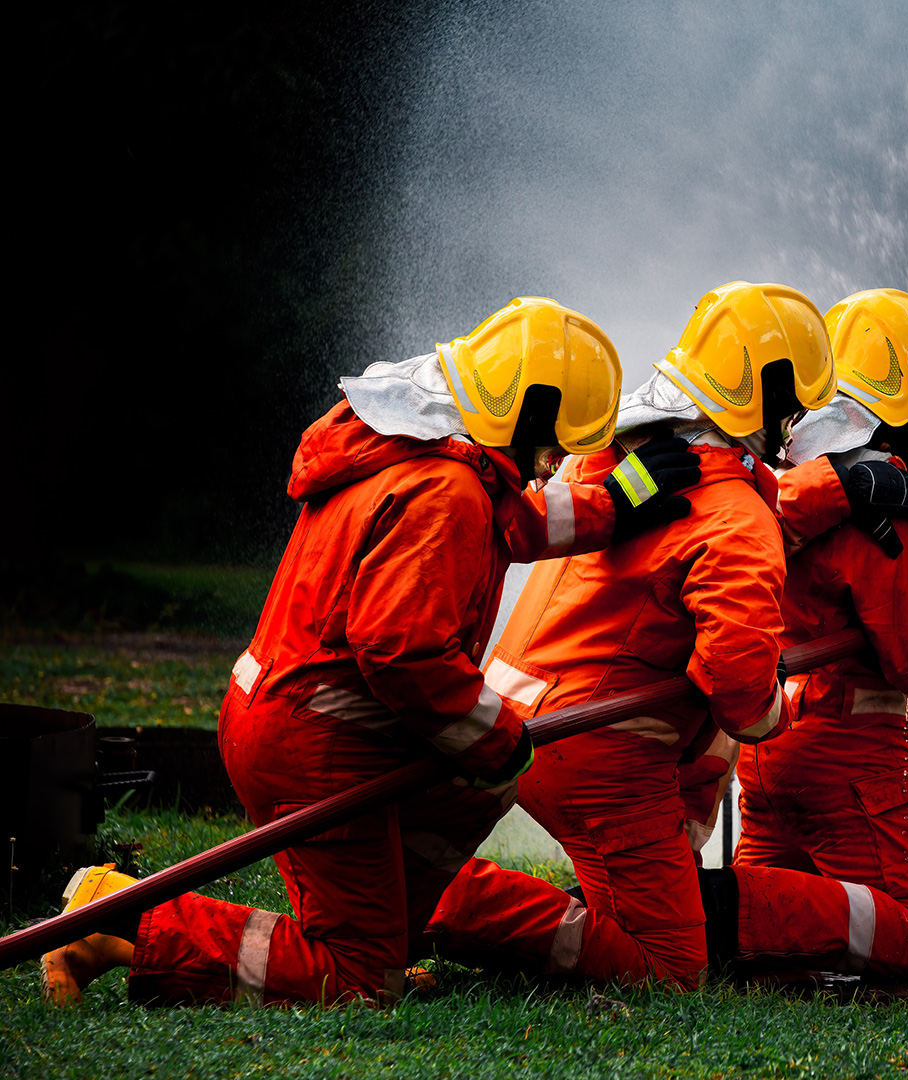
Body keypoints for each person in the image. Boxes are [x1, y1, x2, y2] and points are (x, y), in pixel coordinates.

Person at [42, 297, 703, 1006]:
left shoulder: (424, 451)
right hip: (321, 742)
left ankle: (391, 929)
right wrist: (494, 732)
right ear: (527, 410)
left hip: (310, 719)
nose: (553, 463)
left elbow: (510, 523)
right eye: (552, 444)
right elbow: (402, 651)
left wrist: (623, 496)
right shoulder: (444, 489)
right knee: (356, 981)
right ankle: (120, 921)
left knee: (472, 786)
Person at [424, 281, 908, 989]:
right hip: (602, 754)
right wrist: (778, 717)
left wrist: (840, 488)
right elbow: (741, 694)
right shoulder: (737, 519)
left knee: (637, 916)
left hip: (526, 721)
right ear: (773, 398)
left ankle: (433, 896)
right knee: (668, 969)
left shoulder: (623, 461)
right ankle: (438, 904)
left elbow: (720, 506)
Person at [703, 288, 908, 981]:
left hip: (771, 746)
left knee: (777, 917)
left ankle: (709, 909)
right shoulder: (884, 511)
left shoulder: (790, 482)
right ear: (901, 410)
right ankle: (699, 906)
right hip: (851, 763)